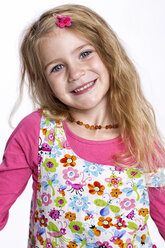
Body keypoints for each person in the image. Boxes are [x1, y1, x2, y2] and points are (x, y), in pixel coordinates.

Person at [0, 4, 165, 248]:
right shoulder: (36, 131)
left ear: (108, 53)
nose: (75, 73)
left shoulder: (142, 140)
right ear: (45, 82)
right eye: (57, 67)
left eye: (85, 53)